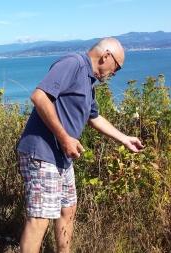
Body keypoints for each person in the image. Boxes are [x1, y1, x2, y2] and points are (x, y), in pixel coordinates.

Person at [16, 37, 144, 253]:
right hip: (42, 152)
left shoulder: (88, 82)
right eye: (117, 68)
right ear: (106, 56)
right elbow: (39, 97)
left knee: (68, 210)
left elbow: (94, 118)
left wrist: (124, 138)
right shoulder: (73, 64)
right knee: (40, 218)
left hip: (62, 157)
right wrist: (65, 138)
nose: (114, 73)